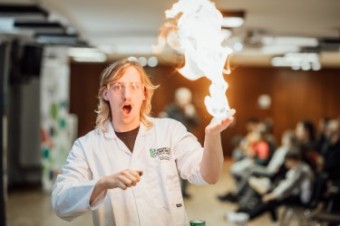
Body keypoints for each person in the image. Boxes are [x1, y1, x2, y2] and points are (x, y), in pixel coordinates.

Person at [51, 58, 235, 226]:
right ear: (106, 94)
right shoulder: (86, 146)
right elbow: (60, 202)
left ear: (144, 93)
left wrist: (212, 135)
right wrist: (102, 183)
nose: (126, 95)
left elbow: (209, 175)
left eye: (134, 87)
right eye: (117, 87)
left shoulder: (170, 131)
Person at [226, 149, 314, 224]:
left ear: (293, 160)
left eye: (287, 161)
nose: (286, 164)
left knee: (272, 199)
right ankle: (249, 215)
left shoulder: (302, 170)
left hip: (302, 199)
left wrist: (273, 195)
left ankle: (247, 217)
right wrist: (273, 193)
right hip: (295, 194)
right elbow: (287, 184)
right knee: (270, 196)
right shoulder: (299, 167)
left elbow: (289, 186)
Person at [159, 87, 200, 199]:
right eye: (182, 98)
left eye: (187, 99)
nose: (185, 101)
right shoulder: (170, 109)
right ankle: (173, 192)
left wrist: (191, 114)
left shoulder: (190, 109)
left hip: (186, 141)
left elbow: (197, 123)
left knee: (186, 165)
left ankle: (183, 190)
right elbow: (163, 123)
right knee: (172, 168)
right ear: (177, 98)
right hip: (172, 142)